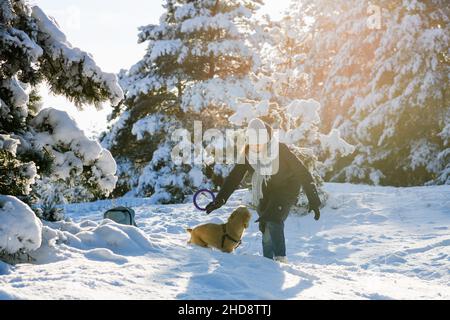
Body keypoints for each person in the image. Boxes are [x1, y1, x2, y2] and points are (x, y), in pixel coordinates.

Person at [205, 118, 321, 262]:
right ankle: (267, 263)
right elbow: (234, 177)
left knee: (273, 218)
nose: (257, 146)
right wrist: (219, 200)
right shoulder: (247, 155)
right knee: (266, 226)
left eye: (260, 142)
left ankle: (280, 259)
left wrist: (314, 199)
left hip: (287, 187)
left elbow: (302, 172)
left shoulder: (280, 149)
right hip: (266, 190)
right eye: (254, 142)